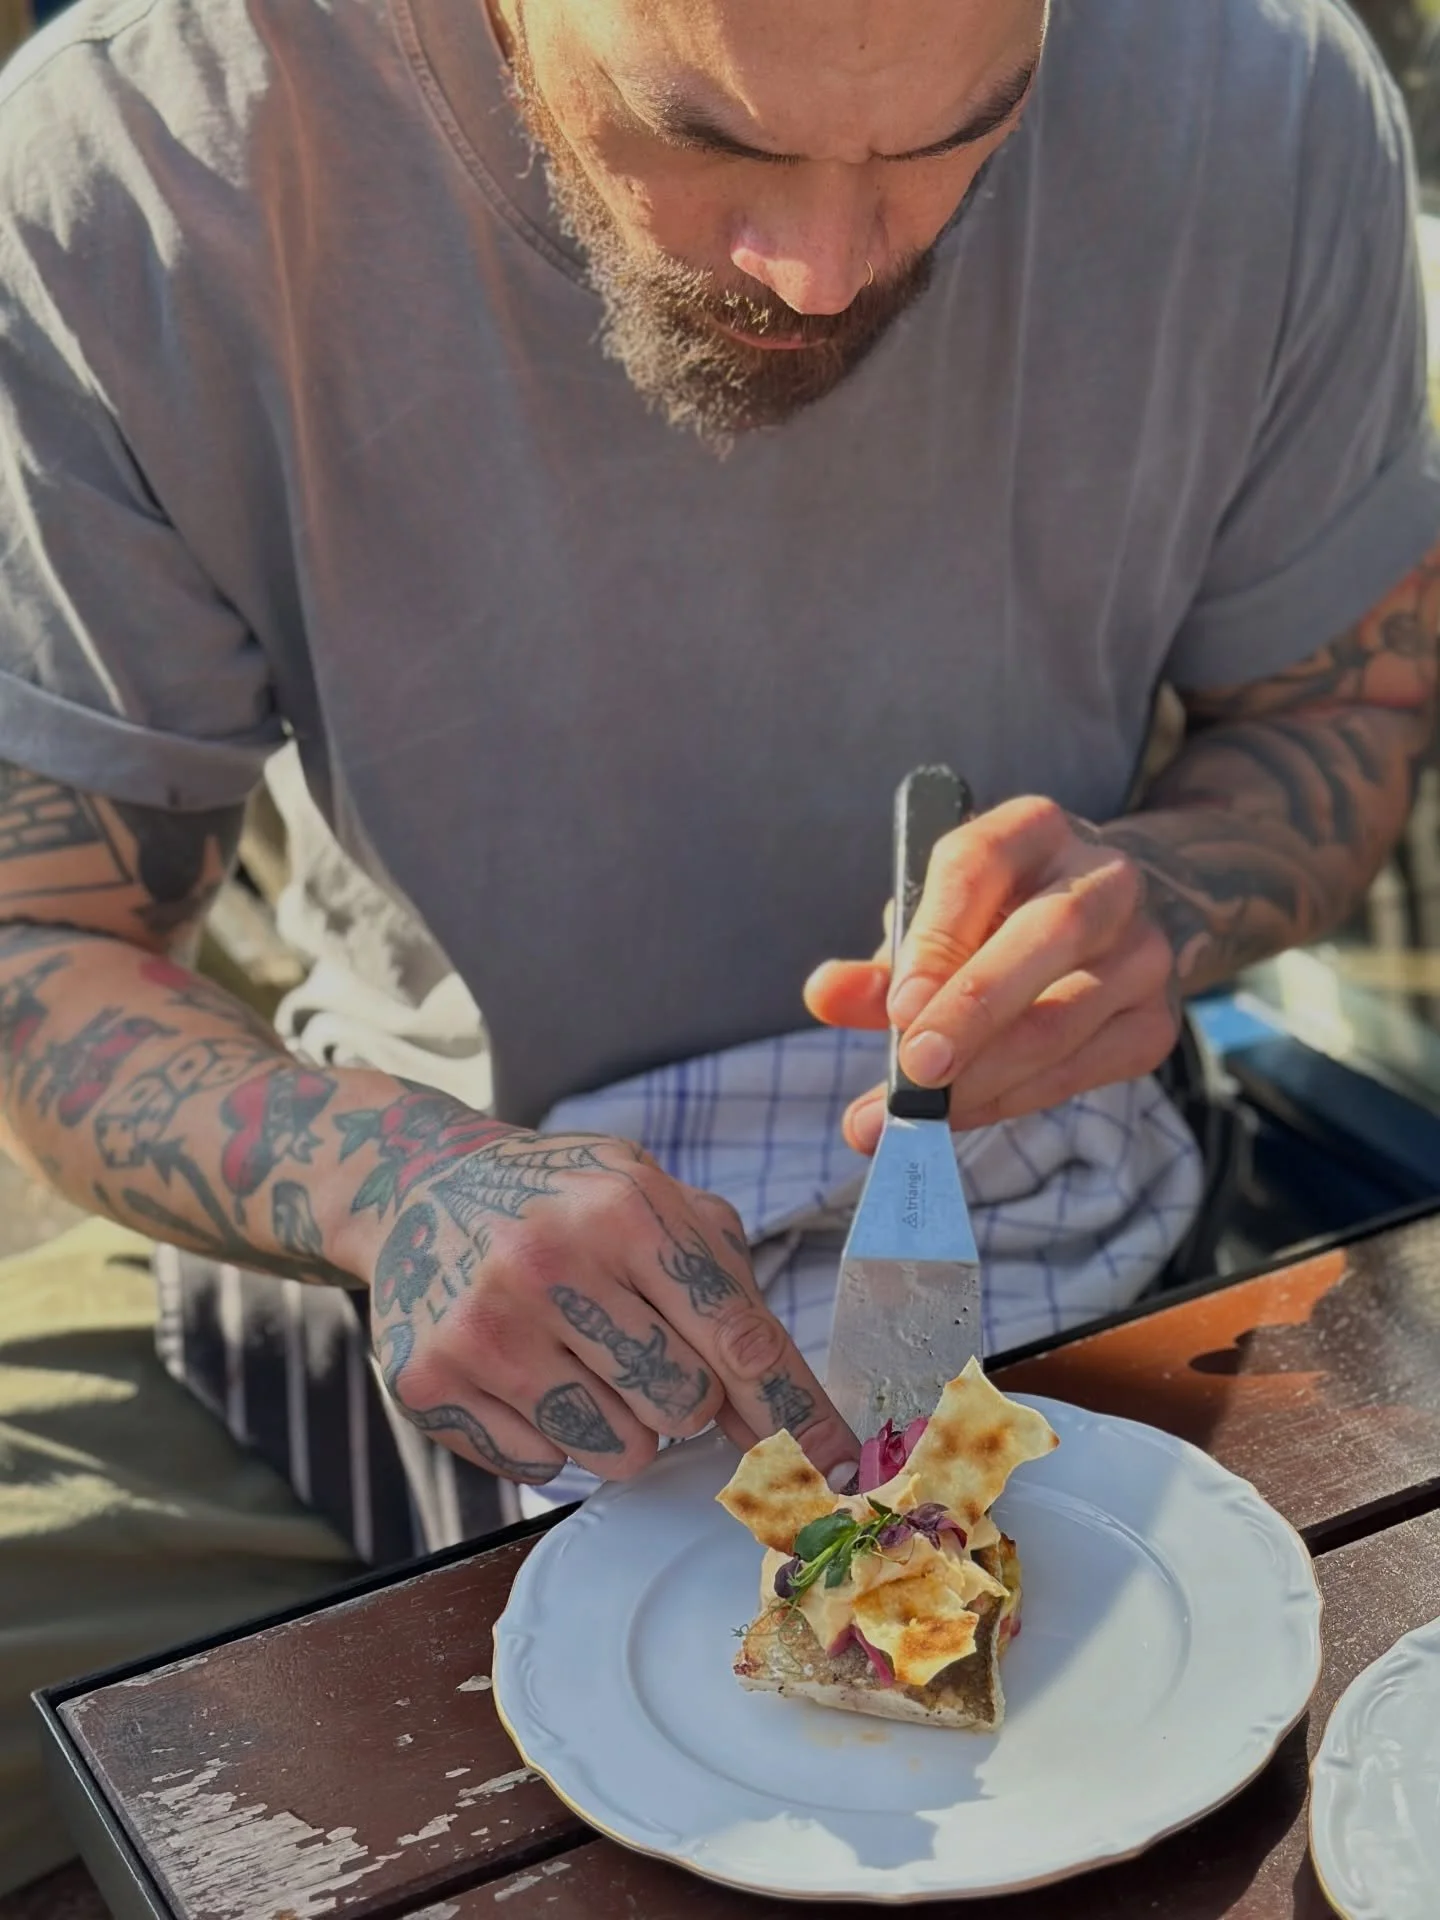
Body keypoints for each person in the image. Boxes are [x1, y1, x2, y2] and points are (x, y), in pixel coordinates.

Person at [1, 0, 1438, 1891]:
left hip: (1090, 1264)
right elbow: (42, 943)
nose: (828, 268)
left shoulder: (1264, 94)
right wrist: (390, 1183)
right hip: (368, 1241)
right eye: (709, 138)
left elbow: (1338, 721)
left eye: (963, 134)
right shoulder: (139, 166)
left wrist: (1167, 894)